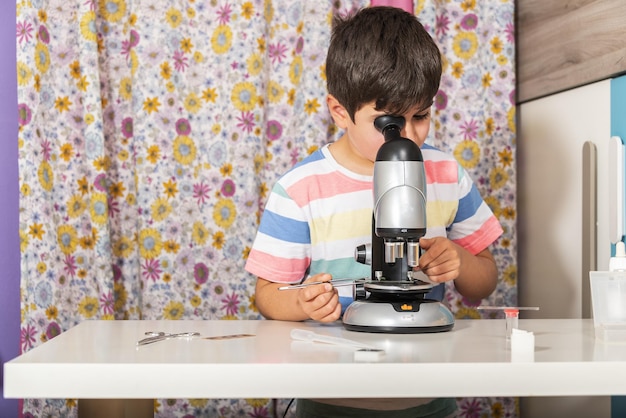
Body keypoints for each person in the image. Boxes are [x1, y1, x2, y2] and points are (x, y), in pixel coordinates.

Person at [245, 6, 503, 418]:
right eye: (390, 124)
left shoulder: (444, 171)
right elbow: (268, 294)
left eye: (421, 116)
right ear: (340, 112)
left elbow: (484, 281)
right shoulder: (301, 187)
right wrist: (304, 304)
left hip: (428, 395)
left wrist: (460, 262)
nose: (410, 136)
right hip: (331, 398)